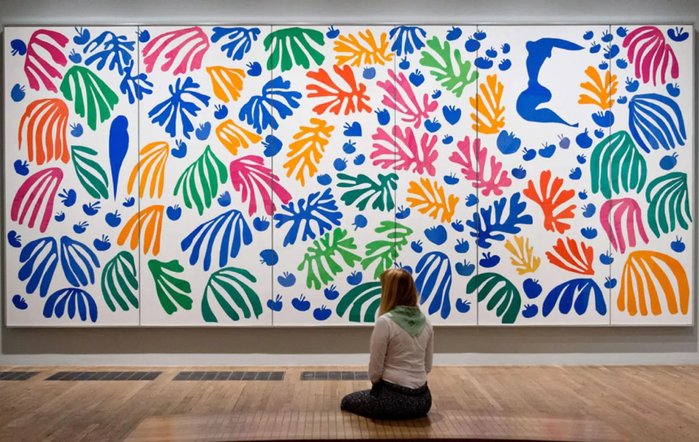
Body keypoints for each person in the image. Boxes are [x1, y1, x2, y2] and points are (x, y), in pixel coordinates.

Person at [341, 268, 434, 420]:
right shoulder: (426, 322)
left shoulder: (385, 322)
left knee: (347, 401)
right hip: (423, 400)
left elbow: (375, 373)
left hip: (392, 399)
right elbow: (427, 366)